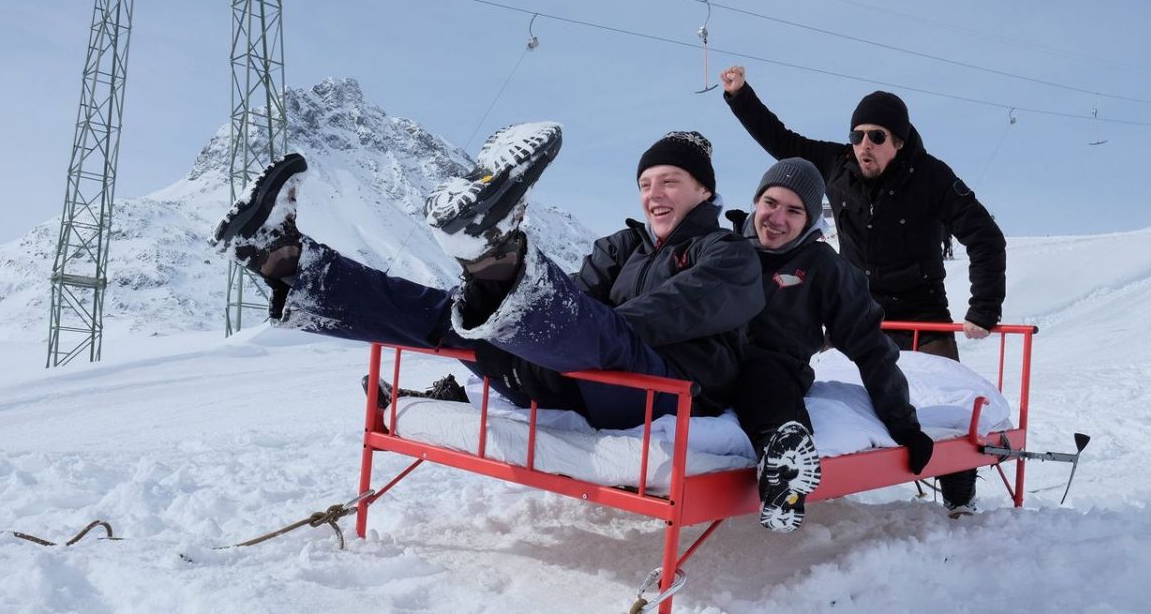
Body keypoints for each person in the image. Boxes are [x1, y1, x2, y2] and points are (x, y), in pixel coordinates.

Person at [211, 124, 818, 531]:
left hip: (663, 395)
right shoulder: (621, 248)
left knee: (596, 332)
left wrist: (572, 330)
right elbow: (576, 307)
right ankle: (289, 262)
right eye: (645, 184)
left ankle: (494, 254)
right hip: (578, 378)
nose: (654, 194)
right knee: (452, 317)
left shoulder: (728, 254)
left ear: (703, 190)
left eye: (670, 183)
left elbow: (675, 312)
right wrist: (529, 337)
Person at [720, 66, 1006, 518]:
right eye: (857, 135)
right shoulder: (838, 165)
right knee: (794, 370)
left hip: (921, 312)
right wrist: (739, 96)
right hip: (851, 309)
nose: (864, 145)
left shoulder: (933, 177)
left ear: (900, 141)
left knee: (941, 403)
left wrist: (983, 307)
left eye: (876, 136)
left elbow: (985, 236)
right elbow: (782, 142)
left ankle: (959, 499)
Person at [725, 158, 935, 531]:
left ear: (810, 220)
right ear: (757, 201)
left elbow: (870, 344)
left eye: (794, 211)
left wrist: (904, 425)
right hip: (711, 363)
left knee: (767, 380)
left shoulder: (824, 266)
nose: (777, 218)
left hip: (773, 371)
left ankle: (785, 464)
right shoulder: (723, 248)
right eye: (771, 203)